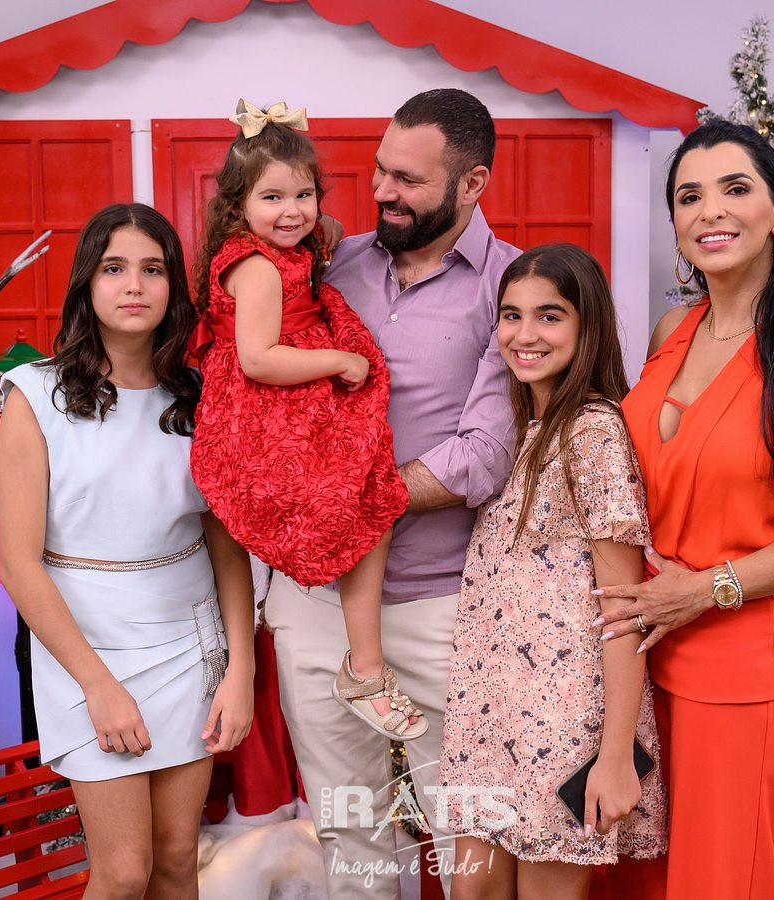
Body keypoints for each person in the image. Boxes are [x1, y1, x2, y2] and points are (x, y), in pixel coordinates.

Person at [595, 120, 774, 899]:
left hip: (740, 663)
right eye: (689, 196)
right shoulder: (672, 331)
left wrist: (704, 589)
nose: (710, 211)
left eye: (734, 189)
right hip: (638, 651)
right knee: (640, 880)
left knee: (718, 881)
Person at [261, 87, 521, 898]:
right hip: (315, 603)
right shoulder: (332, 265)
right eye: (379, 170)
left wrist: (343, 500)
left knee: (468, 833)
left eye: (407, 179)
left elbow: (484, 455)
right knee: (350, 831)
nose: (381, 191)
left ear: (472, 183)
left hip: (443, 605)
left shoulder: (511, 285)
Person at [0, 203, 256, 899]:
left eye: (152, 269)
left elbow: (227, 549)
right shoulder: (35, 396)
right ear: (87, 284)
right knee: (122, 872)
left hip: (188, 648)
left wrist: (241, 669)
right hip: (84, 651)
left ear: (174, 287)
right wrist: (98, 686)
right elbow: (17, 565)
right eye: (114, 269)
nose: (134, 285)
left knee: (176, 859)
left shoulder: (199, 396)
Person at [189, 100, 421, 741]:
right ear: (238, 205)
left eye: (304, 194)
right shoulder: (258, 268)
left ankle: (364, 662)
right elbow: (259, 359)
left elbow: (320, 229)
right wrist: (340, 359)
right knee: (361, 498)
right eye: (272, 198)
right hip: (267, 409)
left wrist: (316, 226)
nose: (292, 211)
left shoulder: (280, 246)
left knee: (372, 496)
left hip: (288, 399)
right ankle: (364, 664)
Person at [441, 243, 667, 900]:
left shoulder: (593, 432)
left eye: (549, 316)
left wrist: (615, 755)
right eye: (511, 315)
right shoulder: (522, 428)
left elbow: (623, 607)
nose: (525, 334)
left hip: (562, 723)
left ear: (586, 325)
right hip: (491, 715)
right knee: (472, 891)